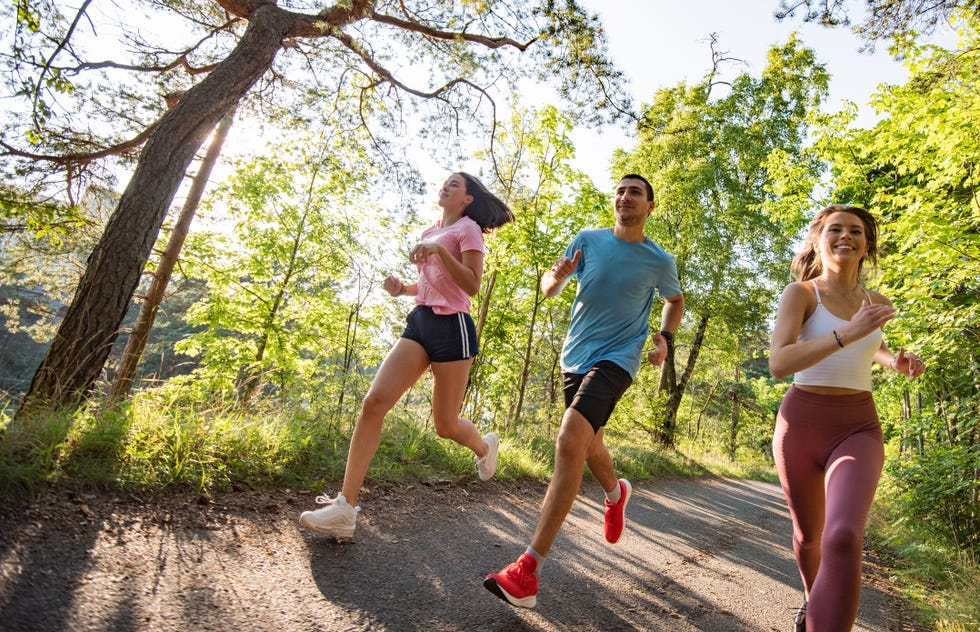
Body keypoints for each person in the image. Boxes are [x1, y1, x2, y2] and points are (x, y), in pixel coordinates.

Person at [483, 174, 684, 608]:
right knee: (590, 443)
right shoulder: (588, 240)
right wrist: (553, 278)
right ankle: (616, 494)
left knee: (570, 440)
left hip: (619, 359)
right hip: (574, 356)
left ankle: (527, 571)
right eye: (621, 190)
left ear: (650, 206)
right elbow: (550, 287)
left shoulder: (658, 259)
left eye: (636, 192)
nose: (625, 196)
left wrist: (665, 339)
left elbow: (675, 300)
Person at [300, 172, 515, 538]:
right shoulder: (429, 231)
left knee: (445, 426)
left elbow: (471, 285)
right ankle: (344, 508)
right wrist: (403, 289)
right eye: (444, 182)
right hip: (420, 320)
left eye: (454, 185)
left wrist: (441, 251)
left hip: (453, 328)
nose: (445, 186)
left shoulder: (467, 230)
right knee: (374, 402)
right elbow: (433, 282)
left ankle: (484, 446)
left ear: (467, 199)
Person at [768, 205, 926, 632]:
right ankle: (811, 597)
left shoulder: (878, 303)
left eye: (856, 231)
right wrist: (847, 334)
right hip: (800, 423)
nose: (846, 236)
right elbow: (780, 363)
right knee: (809, 536)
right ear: (818, 240)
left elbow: (869, 344)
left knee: (843, 536)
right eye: (835, 229)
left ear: (866, 245)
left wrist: (895, 362)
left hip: (858, 425)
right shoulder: (801, 294)